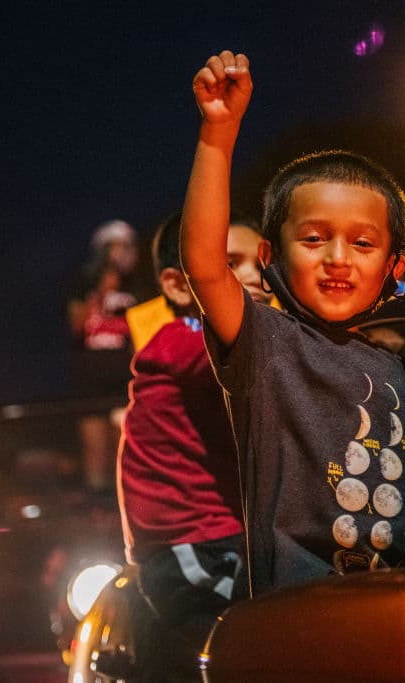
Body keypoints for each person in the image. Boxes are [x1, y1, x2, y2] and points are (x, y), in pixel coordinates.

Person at [180, 50, 405, 595]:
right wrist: (218, 132)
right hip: (299, 626)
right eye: (314, 238)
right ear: (270, 256)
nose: (338, 257)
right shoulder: (267, 344)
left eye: (363, 243)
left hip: (398, 623)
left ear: (395, 267)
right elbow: (204, 263)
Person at [116, 209, 268, 670]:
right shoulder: (184, 341)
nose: (254, 276)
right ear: (179, 286)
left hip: (213, 542)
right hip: (194, 551)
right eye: (231, 263)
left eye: (262, 263)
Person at [63, 219, 145, 493]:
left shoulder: (137, 286)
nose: (123, 253)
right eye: (117, 246)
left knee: (125, 450)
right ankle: (97, 507)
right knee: (95, 451)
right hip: (91, 383)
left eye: (128, 246)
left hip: (125, 381)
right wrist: (101, 291)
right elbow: (76, 326)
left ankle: (123, 503)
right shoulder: (82, 285)